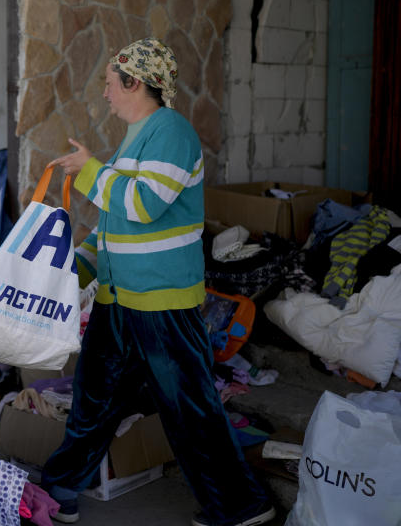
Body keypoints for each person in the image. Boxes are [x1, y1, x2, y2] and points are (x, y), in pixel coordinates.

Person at [42, 38, 275, 526]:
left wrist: (90, 172)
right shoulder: (138, 136)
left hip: (162, 305)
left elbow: (144, 205)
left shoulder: (171, 131)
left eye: (109, 84)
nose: (104, 94)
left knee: (189, 410)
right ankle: (58, 490)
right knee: (93, 399)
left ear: (135, 82)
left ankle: (240, 506)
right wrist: (74, 267)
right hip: (120, 300)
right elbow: (116, 222)